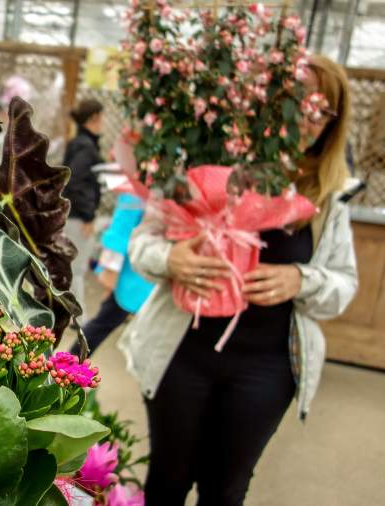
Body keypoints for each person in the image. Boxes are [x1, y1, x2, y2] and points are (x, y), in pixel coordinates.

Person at [119, 54, 358, 505]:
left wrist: (300, 279)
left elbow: (343, 285)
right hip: (182, 352)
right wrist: (171, 258)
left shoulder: (329, 198)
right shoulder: (209, 163)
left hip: (265, 367)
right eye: (297, 99)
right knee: (168, 478)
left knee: (225, 488)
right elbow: (141, 243)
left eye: (321, 109)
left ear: (332, 123)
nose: (306, 116)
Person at [71, 192, 153, 356]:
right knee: (104, 322)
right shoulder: (141, 188)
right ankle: (67, 366)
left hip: (149, 276)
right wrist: (111, 270)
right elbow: (121, 227)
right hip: (132, 275)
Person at [63, 99, 105, 315]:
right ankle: (76, 316)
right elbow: (74, 181)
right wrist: (88, 215)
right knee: (76, 269)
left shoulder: (80, 143)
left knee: (71, 267)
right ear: (93, 119)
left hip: (74, 214)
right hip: (78, 217)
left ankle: (70, 313)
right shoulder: (86, 147)